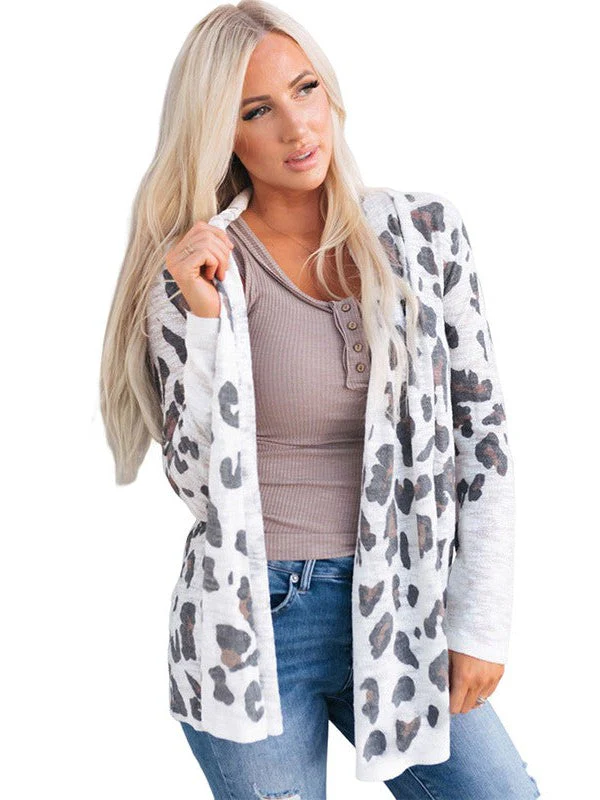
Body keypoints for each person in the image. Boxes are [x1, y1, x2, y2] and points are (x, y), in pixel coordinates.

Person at [99, 1, 542, 797]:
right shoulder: (199, 270)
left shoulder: (426, 234)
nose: (296, 126)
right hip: (252, 624)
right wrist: (203, 322)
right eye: (256, 111)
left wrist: (479, 622)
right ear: (221, 133)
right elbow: (199, 482)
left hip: (402, 602)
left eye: (304, 90)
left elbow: (485, 440)